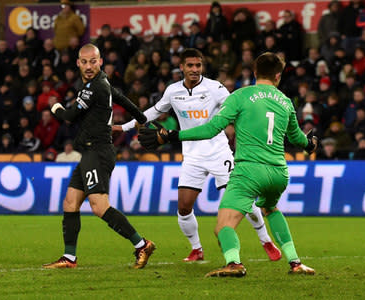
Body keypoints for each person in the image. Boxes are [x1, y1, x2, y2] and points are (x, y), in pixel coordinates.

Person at [138, 52, 318, 277]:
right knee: (270, 208)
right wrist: (311, 144)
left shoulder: (240, 96)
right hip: (279, 173)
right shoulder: (286, 102)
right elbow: (298, 139)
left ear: (254, 73)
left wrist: (171, 136)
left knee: (223, 226)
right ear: (278, 76)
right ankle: (295, 262)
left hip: (249, 172)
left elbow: (210, 130)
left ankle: (234, 263)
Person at [114, 49, 281, 262]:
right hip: (192, 156)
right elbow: (153, 111)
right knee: (183, 207)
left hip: (219, 153)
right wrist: (125, 127)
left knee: (245, 202)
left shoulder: (215, 88)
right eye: (190, 65)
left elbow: (238, 108)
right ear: (181, 67)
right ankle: (196, 249)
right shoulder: (173, 91)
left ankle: (265, 240)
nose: (194, 69)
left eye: (198, 65)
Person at [43, 44, 155, 269]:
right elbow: (122, 99)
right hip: (89, 152)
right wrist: (142, 118)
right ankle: (69, 258)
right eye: (84, 62)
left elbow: (71, 116)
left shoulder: (92, 87)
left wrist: (55, 108)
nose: (88, 66)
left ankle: (141, 244)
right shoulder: (103, 83)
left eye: (92, 61)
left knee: (99, 205)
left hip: (97, 151)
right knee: (70, 202)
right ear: (77, 63)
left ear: (100, 61)